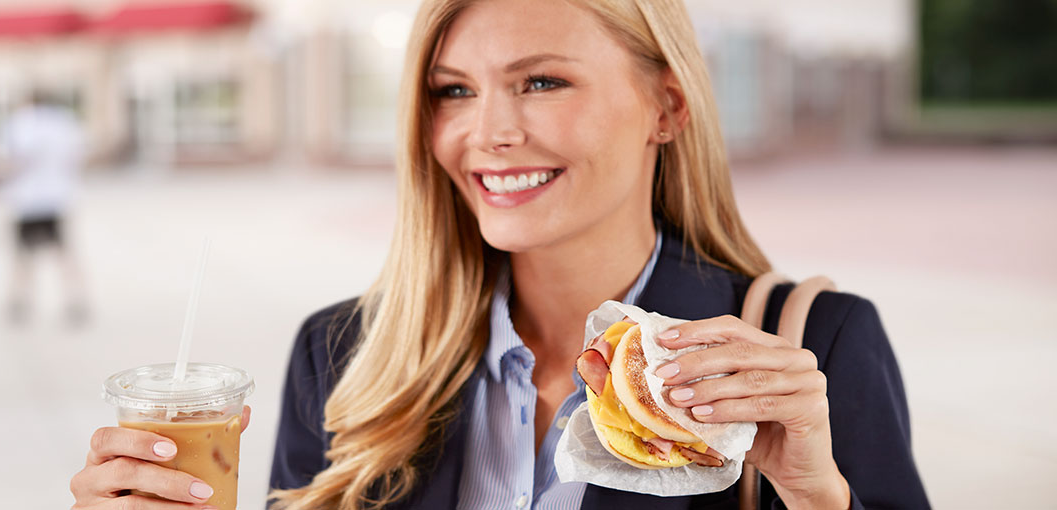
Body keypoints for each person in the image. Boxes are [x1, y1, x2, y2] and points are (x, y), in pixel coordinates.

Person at [72, 1, 930, 509]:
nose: (488, 134)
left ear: (666, 107)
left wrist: (821, 499)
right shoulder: (342, 358)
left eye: (542, 81)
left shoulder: (808, 350)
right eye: (454, 92)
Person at [0, 91, 88, 326]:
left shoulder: (19, 123)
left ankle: (19, 300)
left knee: (23, 255)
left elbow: (9, 160)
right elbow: (77, 157)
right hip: (56, 196)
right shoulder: (65, 123)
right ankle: (74, 299)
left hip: (26, 198)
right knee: (64, 253)